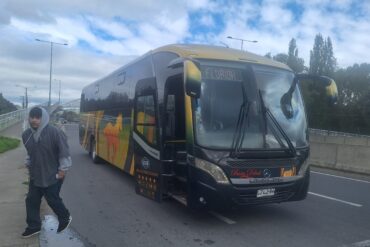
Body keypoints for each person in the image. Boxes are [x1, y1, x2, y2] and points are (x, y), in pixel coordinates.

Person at [21, 107, 72, 238]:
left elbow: (64, 152)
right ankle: (33, 226)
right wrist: (28, 162)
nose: (34, 120)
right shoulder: (26, 135)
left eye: (37, 117)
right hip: (36, 174)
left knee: (52, 199)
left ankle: (65, 217)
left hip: (53, 173)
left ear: (43, 118)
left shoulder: (54, 132)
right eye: (32, 117)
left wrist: (63, 170)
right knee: (31, 200)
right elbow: (30, 152)